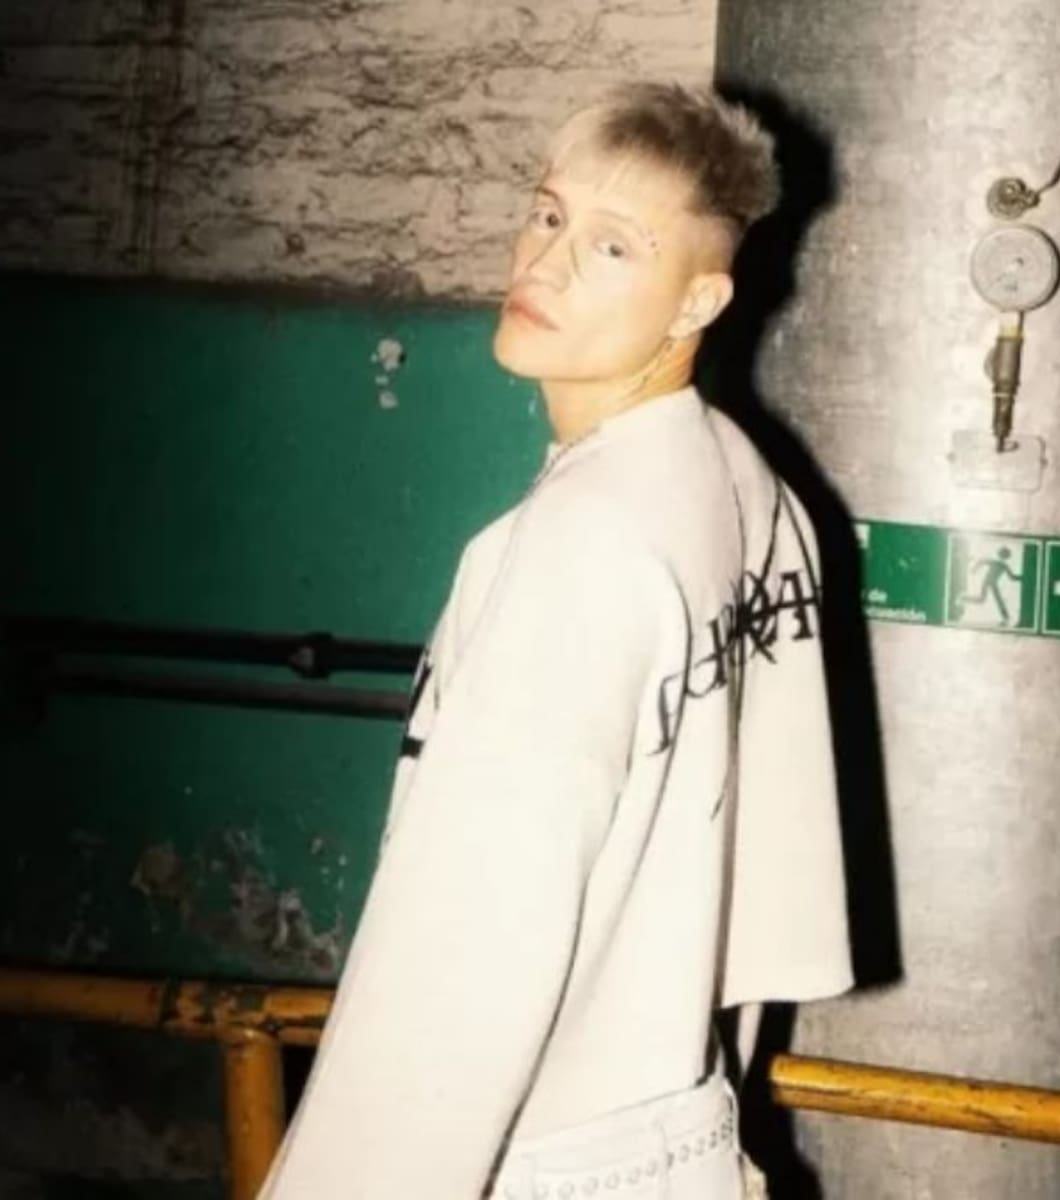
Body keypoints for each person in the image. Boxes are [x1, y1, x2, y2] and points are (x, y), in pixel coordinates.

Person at [258, 81, 853, 1200]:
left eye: (613, 246)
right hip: (680, 1122)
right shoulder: (746, 485)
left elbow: (463, 951)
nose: (547, 263)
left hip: (537, 1151)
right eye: (547, 214)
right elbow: (768, 893)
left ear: (698, 301)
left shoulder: (576, 546)